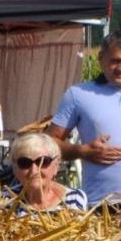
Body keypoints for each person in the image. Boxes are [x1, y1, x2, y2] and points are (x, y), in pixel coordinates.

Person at [48, 33, 121, 207]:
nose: (120, 68)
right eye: (115, 61)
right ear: (101, 58)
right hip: (103, 206)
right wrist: (83, 151)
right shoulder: (79, 95)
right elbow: (49, 143)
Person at [2, 131, 86, 213]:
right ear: (15, 169)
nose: (34, 171)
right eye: (25, 163)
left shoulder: (74, 198)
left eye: (43, 161)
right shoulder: (5, 200)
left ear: (56, 165)